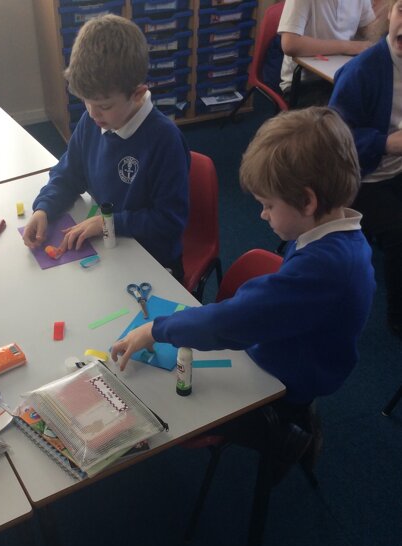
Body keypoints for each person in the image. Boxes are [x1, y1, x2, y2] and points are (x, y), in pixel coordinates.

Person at [111, 107, 376, 473]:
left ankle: (286, 432)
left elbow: (233, 322)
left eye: (268, 205)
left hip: (287, 377)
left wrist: (156, 330)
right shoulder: (332, 231)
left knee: (173, 405)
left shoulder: (325, 267)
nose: (262, 215)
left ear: (307, 201)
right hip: (295, 346)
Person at [22, 14, 190, 280]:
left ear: (137, 94)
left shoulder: (165, 141)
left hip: (152, 262)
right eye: (86, 101)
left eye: (104, 105)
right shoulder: (93, 122)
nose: (92, 113)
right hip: (107, 248)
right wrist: (44, 208)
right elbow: (68, 174)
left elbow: (169, 221)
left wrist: (107, 223)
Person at [329, 0, 402, 337]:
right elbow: (334, 140)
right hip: (364, 178)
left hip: (396, 171)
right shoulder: (364, 71)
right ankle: (397, 315)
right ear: (391, 13)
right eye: (401, 10)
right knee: (399, 233)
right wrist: (386, 144)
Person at [278, 0, 386, 106]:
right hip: (304, 84)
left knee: (378, 100)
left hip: (341, 78)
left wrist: (387, 18)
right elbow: (290, 44)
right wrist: (348, 47)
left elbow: (368, 31)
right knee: (351, 110)